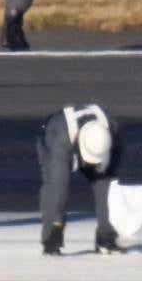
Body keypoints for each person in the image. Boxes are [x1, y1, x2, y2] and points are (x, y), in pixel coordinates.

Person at [38, 103, 126, 256]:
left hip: (86, 141)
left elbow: (112, 176)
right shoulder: (61, 138)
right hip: (53, 140)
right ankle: (51, 241)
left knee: (108, 188)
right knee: (54, 190)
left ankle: (106, 239)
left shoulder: (111, 128)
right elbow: (59, 188)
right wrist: (57, 223)